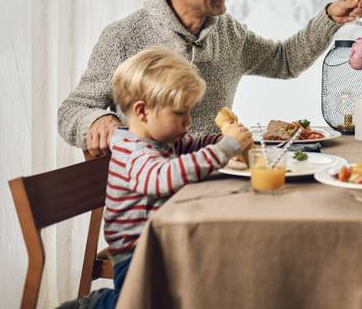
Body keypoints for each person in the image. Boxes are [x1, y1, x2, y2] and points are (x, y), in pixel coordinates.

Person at [59, 0, 362, 156]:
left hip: (219, 177)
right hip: (153, 194)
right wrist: (98, 120)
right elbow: (72, 111)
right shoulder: (123, 38)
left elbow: (285, 60)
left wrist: (330, 18)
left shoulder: (227, 32)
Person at [61, 46, 254, 309]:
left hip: (163, 243)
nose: (188, 121)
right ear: (142, 112)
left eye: (189, 111)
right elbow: (162, 177)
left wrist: (220, 138)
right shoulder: (133, 150)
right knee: (145, 303)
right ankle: (99, 304)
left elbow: (192, 145)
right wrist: (225, 149)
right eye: (179, 113)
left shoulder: (161, 140)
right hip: (137, 254)